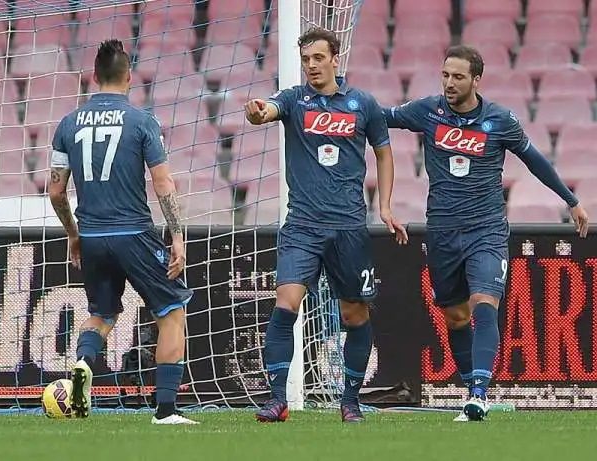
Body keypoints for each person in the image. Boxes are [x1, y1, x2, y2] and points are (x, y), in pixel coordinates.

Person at [382, 45, 590, 422]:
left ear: (476, 80)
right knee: (457, 317)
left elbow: (535, 161)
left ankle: (478, 393)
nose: (449, 83)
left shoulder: (500, 120)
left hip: (486, 230)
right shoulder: (427, 111)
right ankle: (471, 393)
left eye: (458, 77)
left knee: (483, 304)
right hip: (443, 231)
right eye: (445, 75)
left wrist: (570, 200)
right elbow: (379, 118)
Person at [244, 26, 408, 424]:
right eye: (305, 60)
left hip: (349, 227)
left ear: (336, 58)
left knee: (355, 315)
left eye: (318, 58)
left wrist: (384, 206)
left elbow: (384, 154)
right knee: (286, 305)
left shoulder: (363, 104)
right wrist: (257, 111)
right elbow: (267, 110)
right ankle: (277, 399)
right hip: (302, 225)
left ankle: (350, 401)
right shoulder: (295, 100)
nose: (312, 66)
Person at [48, 39, 196, 425]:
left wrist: (74, 233)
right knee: (171, 313)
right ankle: (166, 410)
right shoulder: (142, 121)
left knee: (101, 313)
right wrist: (177, 235)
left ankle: (82, 363)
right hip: (134, 232)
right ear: (129, 77)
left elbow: (56, 190)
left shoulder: (68, 123)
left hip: (93, 236)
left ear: (94, 77)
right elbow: (163, 183)